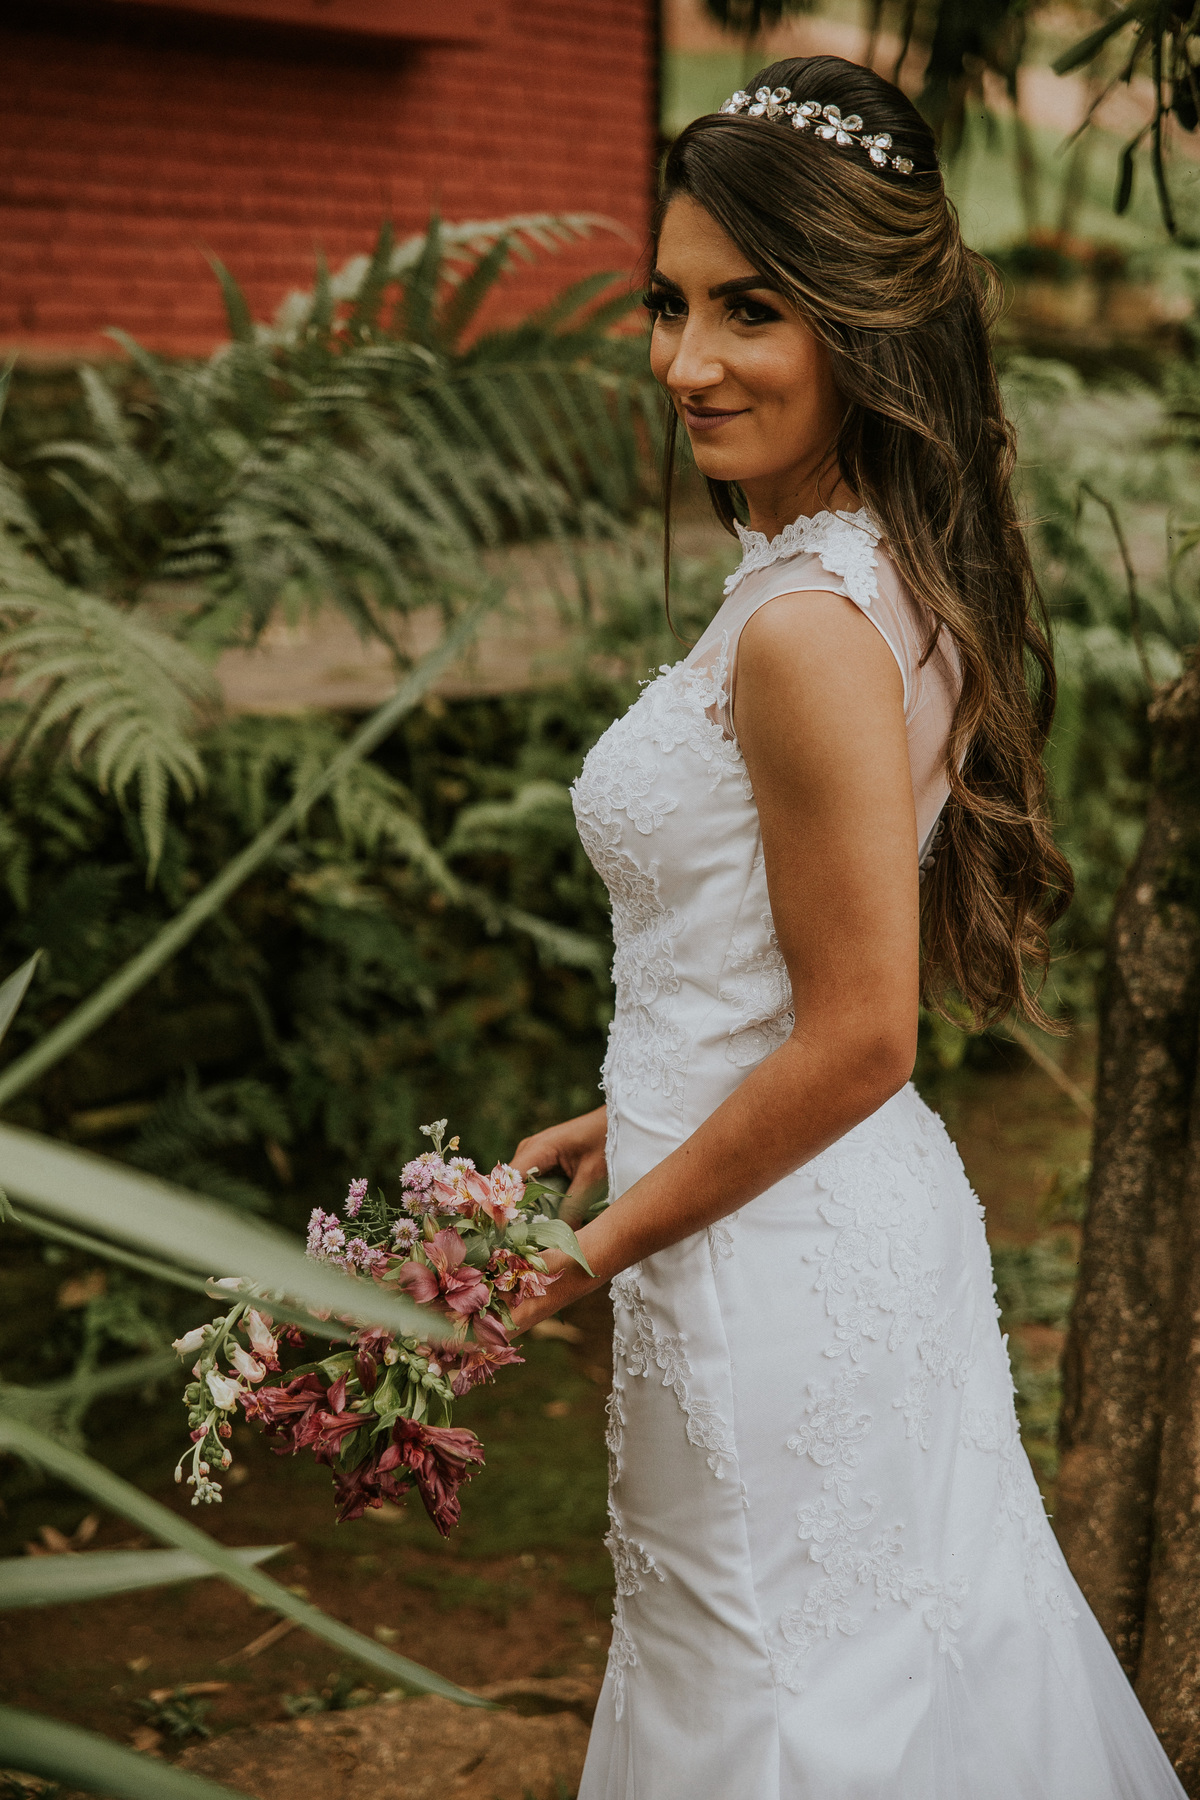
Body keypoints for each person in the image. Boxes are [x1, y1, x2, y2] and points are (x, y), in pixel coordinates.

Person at [506, 54, 1186, 1800]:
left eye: (751, 309)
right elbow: (784, 960)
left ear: (866, 318)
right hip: (822, 1230)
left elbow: (864, 1029)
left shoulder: (810, 623)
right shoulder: (880, 560)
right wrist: (624, 1106)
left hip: (771, 1282)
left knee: (788, 1717)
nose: (684, 359)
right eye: (667, 304)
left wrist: (572, 1262)